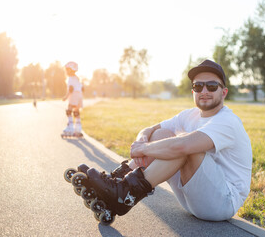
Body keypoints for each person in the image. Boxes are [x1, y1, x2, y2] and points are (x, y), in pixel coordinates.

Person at [86, 59, 252, 222]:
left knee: (184, 146)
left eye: (212, 86)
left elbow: (182, 146)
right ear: (193, 91)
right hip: (191, 200)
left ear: (223, 92)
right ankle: (119, 180)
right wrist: (142, 140)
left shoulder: (228, 121)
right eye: (198, 86)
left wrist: (143, 149)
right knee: (162, 135)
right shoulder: (190, 115)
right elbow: (150, 130)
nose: (204, 90)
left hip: (222, 203)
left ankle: (126, 193)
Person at [62, 61, 84, 137]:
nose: (66, 71)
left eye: (67, 70)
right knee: (76, 111)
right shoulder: (77, 78)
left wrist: (66, 97)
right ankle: (78, 128)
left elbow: (71, 89)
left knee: (69, 109)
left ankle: (70, 127)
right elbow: (82, 88)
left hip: (74, 94)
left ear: (71, 70)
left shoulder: (70, 78)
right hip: (80, 95)